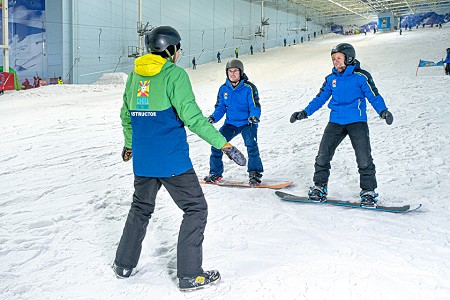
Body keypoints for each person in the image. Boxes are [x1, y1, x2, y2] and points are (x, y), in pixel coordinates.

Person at [114, 25, 246, 291]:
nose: (180, 53)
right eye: (178, 48)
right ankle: (190, 274)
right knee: (195, 209)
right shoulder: (174, 75)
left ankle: (124, 264)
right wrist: (224, 144)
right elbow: (193, 118)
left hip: (144, 161)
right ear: (170, 49)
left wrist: (130, 146)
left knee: (140, 208)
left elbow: (126, 116)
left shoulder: (134, 76)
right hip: (172, 160)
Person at [290, 43, 393, 207]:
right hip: (336, 121)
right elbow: (320, 98)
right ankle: (319, 187)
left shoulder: (361, 76)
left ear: (349, 58)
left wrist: (383, 111)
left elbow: (374, 95)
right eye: (333, 59)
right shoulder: (331, 79)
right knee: (323, 154)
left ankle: (368, 191)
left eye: (338, 58)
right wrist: (305, 112)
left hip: (357, 121)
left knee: (364, 157)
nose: (335, 62)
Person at [204, 59, 263, 185]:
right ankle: (215, 173)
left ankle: (254, 173)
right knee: (216, 144)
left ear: (240, 72)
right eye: (230, 71)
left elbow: (254, 105)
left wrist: (254, 116)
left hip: (248, 123)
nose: (232, 74)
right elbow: (220, 107)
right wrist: (213, 117)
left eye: (235, 71)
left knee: (251, 146)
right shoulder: (223, 89)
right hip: (230, 124)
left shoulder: (249, 88)